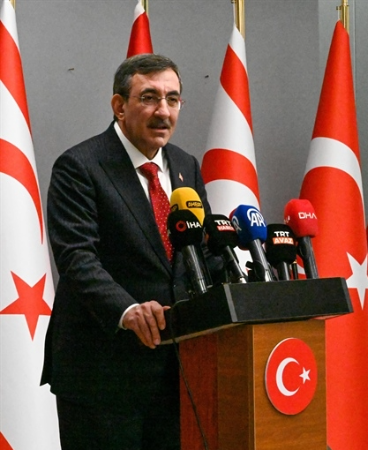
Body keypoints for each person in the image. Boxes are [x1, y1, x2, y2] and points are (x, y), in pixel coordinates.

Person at [41, 54, 213, 449]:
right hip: (102, 374)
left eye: (173, 99)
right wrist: (128, 310)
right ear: (119, 106)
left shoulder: (185, 165)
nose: (163, 111)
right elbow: (77, 258)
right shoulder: (80, 166)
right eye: (149, 98)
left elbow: (199, 252)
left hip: (176, 372)